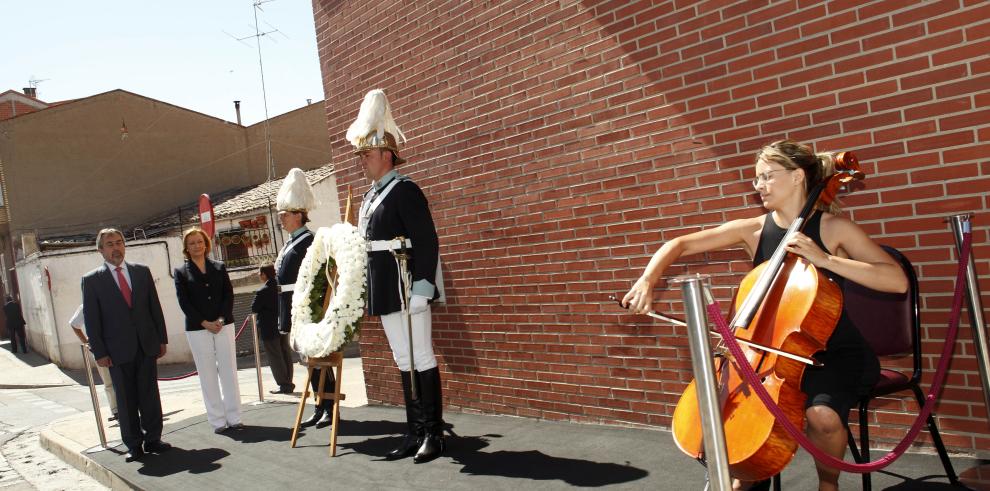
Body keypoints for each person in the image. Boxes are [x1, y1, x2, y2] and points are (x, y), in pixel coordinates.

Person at [622, 140, 908, 491]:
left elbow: (896, 281)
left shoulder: (833, 229)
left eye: (766, 177)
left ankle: (828, 485)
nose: (758, 186)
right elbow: (679, 245)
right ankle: (746, 474)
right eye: (756, 179)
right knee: (745, 433)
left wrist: (826, 260)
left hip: (832, 354)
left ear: (797, 177)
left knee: (823, 417)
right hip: (770, 357)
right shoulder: (753, 230)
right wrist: (648, 280)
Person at [348, 89, 445, 463]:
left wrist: (423, 288)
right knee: (402, 358)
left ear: (386, 156)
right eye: (361, 155)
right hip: (386, 286)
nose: (362, 162)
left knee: (421, 355)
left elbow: (427, 241)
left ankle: (434, 434)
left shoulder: (405, 190)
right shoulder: (371, 196)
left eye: (367, 155)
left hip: (407, 285)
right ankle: (414, 431)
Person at [82, 228, 171, 462]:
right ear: (101, 250)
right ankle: (134, 445)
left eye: (119, 242)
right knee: (126, 399)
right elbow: (92, 320)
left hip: (146, 345)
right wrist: (99, 352)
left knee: (149, 395)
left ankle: (154, 439)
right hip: (116, 351)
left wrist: (161, 338)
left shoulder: (141, 272)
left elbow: (154, 308)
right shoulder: (92, 281)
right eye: (110, 244)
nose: (116, 247)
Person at [274, 168, 331, 428]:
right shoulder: (289, 242)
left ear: (299, 215)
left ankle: (329, 407)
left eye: (285, 215)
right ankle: (319, 405)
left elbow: (317, 278)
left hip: (308, 309)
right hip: (292, 307)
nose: (281, 220)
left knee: (320, 360)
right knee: (308, 361)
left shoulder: (310, 241)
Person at [173, 227, 242, 434]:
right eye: (192, 242)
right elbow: (184, 302)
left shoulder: (219, 267)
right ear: (186, 247)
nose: (197, 245)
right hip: (197, 329)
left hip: (224, 325)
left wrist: (220, 319)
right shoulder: (181, 272)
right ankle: (218, 421)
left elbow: (228, 296)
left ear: (206, 244)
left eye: (200, 241)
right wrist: (205, 323)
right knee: (208, 374)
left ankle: (235, 417)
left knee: (229, 371)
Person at [69, 304, 118, 421]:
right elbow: (74, 324)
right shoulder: (85, 306)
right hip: (100, 349)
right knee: (108, 381)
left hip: (117, 345)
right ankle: (116, 410)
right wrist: (86, 342)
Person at [252, 263, 294, 394]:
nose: (259, 276)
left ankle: (284, 384)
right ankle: (288, 381)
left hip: (269, 329)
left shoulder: (263, 291)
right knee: (285, 353)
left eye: (260, 273)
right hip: (282, 324)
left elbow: (254, 308)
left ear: (264, 274)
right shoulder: (280, 287)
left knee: (275, 356)